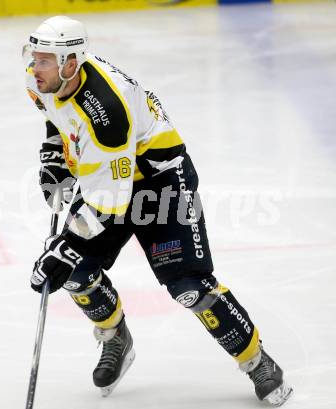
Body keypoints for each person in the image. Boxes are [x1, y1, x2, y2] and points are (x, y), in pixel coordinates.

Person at [24, 15, 293, 405]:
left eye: (43, 60)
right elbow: (55, 116)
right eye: (34, 57)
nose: (34, 67)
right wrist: (54, 157)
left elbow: (108, 206)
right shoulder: (46, 78)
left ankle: (256, 361)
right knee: (77, 272)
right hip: (110, 177)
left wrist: (62, 248)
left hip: (159, 182)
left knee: (189, 287)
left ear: (70, 63)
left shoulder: (108, 116)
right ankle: (116, 337)